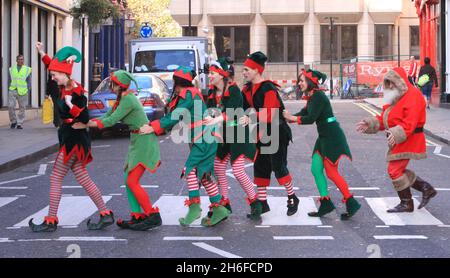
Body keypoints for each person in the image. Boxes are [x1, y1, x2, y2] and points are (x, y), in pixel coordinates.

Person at [29, 42, 114, 232]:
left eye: (54, 75)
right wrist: (42, 52)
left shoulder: (75, 92)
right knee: (83, 178)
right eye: (52, 74)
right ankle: (105, 213)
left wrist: (69, 104)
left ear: (65, 74)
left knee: (56, 177)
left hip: (74, 140)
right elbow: (53, 65)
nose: (52, 77)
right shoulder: (63, 85)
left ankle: (51, 220)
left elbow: (84, 116)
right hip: (71, 137)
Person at [139, 66, 230, 227]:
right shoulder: (191, 93)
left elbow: (175, 116)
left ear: (176, 81)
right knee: (202, 174)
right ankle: (219, 210)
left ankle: (194, 208)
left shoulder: (189, 94)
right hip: (205, 137)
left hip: (204, 138)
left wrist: (153, 126)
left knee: (190, 170)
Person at [73, 70, 162, 231]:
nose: (110, 87)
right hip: (137, 140)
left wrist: (86, 125)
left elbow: (111, 121)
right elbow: (107, 115)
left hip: (144, 141)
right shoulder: (122, 98)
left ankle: (152, 215)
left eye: (112, 84)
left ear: (119, 85)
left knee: (132, 181)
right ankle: (137, 216)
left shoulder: (128, 99)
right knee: (129, 180)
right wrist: (87, 121)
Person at [356, 67, 437, 213]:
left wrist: (397, 133)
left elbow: (410, 123)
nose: (390, 86)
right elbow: (386, 118)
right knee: (396, 169)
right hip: (400, 138)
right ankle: (425, 189)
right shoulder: (396, 96)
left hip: (410, 138)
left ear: (400, 82)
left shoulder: (413, 95)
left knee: (394, 170)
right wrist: (371, 123)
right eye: (388, 83)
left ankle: (407, 202)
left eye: (392, 82)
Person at [283, 69, 361, 220]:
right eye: (299, 81)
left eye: (302, 81)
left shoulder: (318, 96)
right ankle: (326, 203)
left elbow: (311, 118)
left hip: (332, 137)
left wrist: (291, 118)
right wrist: (288, 118)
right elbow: (304, 113)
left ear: (310, 82)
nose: (299, 83)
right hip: (324, 136)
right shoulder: (312, 96)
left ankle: (351, 202)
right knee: (316, 169)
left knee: (331, 172)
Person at [238, 51, 300, 216]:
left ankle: (292, 197)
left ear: (257, 70)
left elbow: (270, 113)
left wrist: (250, 117)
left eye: (246, 70)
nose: (243, 73)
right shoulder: (246, 90)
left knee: (278, 167)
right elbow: (241, 109)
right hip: (261, 131)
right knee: (260, 167)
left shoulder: (268, 88)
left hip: (277, 131)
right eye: (243, 70)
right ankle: (262, 203)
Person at [204, 58, 262, 221]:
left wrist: (214, 120)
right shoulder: (211, 92)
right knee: (218, 167)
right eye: (209, 73)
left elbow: (233, 113)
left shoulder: (235, 90)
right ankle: (224, 202)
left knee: (237, 170)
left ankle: (255, 202)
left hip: (238, 134)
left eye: (213, 73)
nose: (210, 76)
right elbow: (209, 113)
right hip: (223, 135)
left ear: (222, 75)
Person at [8, 54, 31, 129]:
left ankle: (19, 123)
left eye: (22, 59)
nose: (21, 61)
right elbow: (9, 79)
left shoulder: (27, 69)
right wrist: (9, 87)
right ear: (16, 60)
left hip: (23, 91)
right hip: (13, 90)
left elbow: (28, 80)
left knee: (22, 108)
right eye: (19, 59)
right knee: (11, 106)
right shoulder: (12, 69)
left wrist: (28, 88)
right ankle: (13, 121)